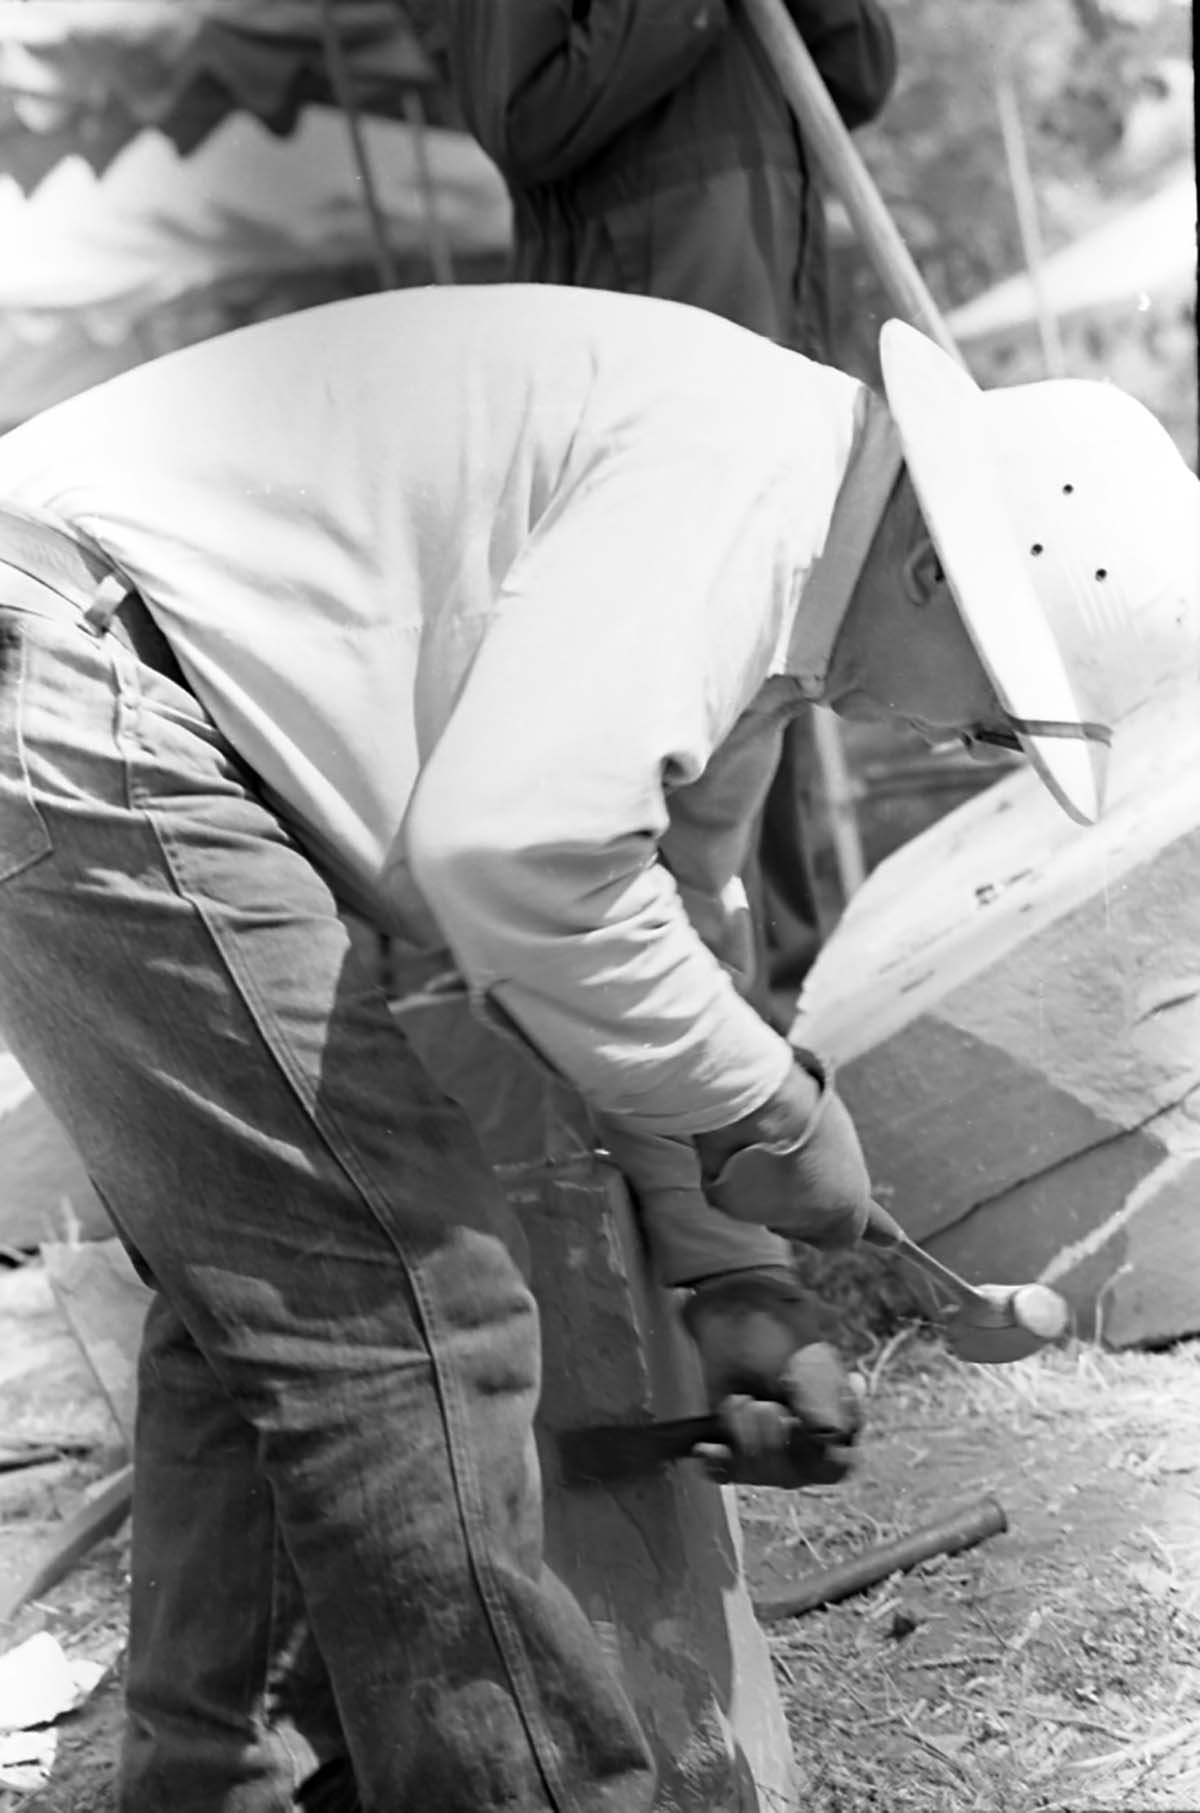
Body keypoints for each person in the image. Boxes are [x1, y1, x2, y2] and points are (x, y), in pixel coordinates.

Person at [0, 284, 1193, 1812]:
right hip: (91, 677)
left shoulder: (779, 531)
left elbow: (670, 911)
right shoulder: (737, 502)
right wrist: (769, 1103)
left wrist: (735, 1274)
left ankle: (211, 1778)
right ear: (929, 568)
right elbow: (518, 861)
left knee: (287, 1288)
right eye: (992, 720)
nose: (948, 744)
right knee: (417, 1299)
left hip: (83, 669)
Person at [418, 0, 899, 1026]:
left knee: (775, 693)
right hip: (650, 375)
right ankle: (721, 1046)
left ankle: (784, 1011)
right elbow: (524, 116)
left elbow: (855, 73)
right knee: (690, 721)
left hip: (769, 346)